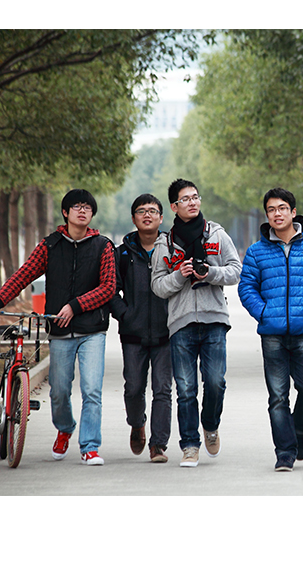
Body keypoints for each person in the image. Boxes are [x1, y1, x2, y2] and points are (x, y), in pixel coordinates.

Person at [0, 189, 115, 466]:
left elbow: (108, 287)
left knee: (92, 391)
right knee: (59, 391)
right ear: (65, 212)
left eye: (87, 207)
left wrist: (75, 306)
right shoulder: (50, 245)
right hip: (60, 332)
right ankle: (64, 429)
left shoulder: (103, 246)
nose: (82, 211)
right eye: (76, 206)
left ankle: (90, 446)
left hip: (93, 330)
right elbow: (24, 274)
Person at [238, 188, 303, 472]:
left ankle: (300, 432)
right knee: (278, 396)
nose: (277, 214)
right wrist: (264, 312)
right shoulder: (256, 251)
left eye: (282, 208)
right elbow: (247, 288)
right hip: (272, 334)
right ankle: (284, 452)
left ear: (293, 212)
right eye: (271, 209)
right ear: (266, 215)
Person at [151, 179, 241, 468]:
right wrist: (179, 275)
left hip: (214, 319)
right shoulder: (165, 243)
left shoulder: (216, 234)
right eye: (185, 199)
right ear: (174, 206)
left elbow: (235, 270)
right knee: (186, 388)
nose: (192, 202)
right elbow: (157, 286)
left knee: (215, 382)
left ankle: (210, 425)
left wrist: (210, 273)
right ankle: (190, 445)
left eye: (195, 197)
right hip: (181, 323)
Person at [109, 194, 172, 463]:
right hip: (132, 333)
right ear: (133, 218)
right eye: (141, 211)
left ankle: (158, 444)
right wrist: (125, 315)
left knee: (163, 389)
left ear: (161, 217)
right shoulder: (122, 253)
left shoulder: (172, 249)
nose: (147, 215)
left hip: (167, 332)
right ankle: (137, 423)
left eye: (153, 211)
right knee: (133, 387)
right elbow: (110, 290)